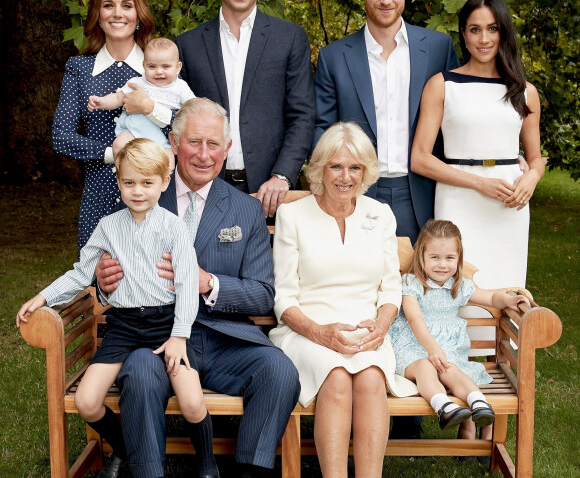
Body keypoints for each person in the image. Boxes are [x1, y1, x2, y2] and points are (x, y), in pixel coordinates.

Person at [96, 98, 300, 478]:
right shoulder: (140, 195)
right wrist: (104, 285)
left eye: (213, 145)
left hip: (224, 339)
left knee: (279, 370)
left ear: (227, 150)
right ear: (173, 143)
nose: (204, 155)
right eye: (194, 143)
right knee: (139, 372)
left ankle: (249, 471)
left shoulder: (245, 210)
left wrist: (207, 281)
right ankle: (148, 471)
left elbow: (261, 293)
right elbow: (106, 278)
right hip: (154, 338)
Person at [17, 138, 219, 478]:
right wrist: (42, 297)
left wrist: (180, 336)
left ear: (164, 182)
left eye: (147, 182)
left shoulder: (174, 228)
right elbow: (82, 272)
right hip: (124, 327)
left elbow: (186, 286)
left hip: (166, 326)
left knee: (192, 401)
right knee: (87, 401)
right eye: (129, 183)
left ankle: (207, 462)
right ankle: (124, 450)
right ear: (119, 182)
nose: (137, 191)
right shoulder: (108, 227)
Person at [269, 122, 417, 477]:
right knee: (335, 375)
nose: (345, 177)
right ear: (320, 168)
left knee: (369, 377)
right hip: (306, 330)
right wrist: (320, 333)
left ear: (365, 171)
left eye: (355, 167)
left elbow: (390, 287)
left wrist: (382, 325)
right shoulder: (293, 214)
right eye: (336, 166)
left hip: (366, 330)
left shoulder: (379, 214)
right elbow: (284, 297)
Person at [313, 0, 460, 245]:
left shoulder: (437, 48)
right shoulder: (334, 56)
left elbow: (460, 116)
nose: (385, 0)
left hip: (422, 191)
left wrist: (506, 159)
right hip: (357, 192)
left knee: (424, 287)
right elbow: (321, 128)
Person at [411, 0, 544, 290]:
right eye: (475, 29)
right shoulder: (442, 85)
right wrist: (480, 182)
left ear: (504, 32)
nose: (484, 38)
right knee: (456, 286)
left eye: (493, 28)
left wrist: (532, 177)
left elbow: (535, 158)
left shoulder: (525, 92)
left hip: (510, 204)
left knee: (506, 286)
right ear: (463, 33)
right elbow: (420, 158)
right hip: (458, 199)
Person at [176, 0, 315, 217]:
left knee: (269, 262)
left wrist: (283, 176)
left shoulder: (289, 39)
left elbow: (302, 115)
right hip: (205, 187)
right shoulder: (188, 45)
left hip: (271, 191)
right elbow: (178, 118)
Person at [52, 0, 168, 253]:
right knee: (99, 284)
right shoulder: (79, 69)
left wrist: (149, 107)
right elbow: (61, 137)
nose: (118, 14)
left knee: (156, 283)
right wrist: (113, 153)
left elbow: (181, 128)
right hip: (100, 193)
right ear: (98, 14)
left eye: (127, 6)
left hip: (155, 197)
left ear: (139, 15)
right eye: (108, 5)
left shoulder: (162, 67)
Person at [390, 220, 529, 433]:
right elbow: (414, 319)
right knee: (426, 367)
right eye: (434, 257)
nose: (442, 264)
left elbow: (491, 297)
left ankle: (479, 403)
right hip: (413, 348)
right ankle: (443, 406)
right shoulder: (411, 283)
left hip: (447, 352)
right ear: (422, 257)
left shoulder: (458, 285)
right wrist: (432, 348)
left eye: (449, 258)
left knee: (451, 370)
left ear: (458, 258)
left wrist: (509, 300)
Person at [88, 37, 195, 171]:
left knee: (169, 163)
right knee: (119, 145)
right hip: (132, 133)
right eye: (152, 66)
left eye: (166, 66)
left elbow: (193, 108)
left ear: (178, 67)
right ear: (143, 65)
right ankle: (124, 175)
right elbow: (117, 98)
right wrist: (102, 102)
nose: (159, 71)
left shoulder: (180, 87)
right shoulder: (136, 82)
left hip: (161, 139)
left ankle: (159, 188)